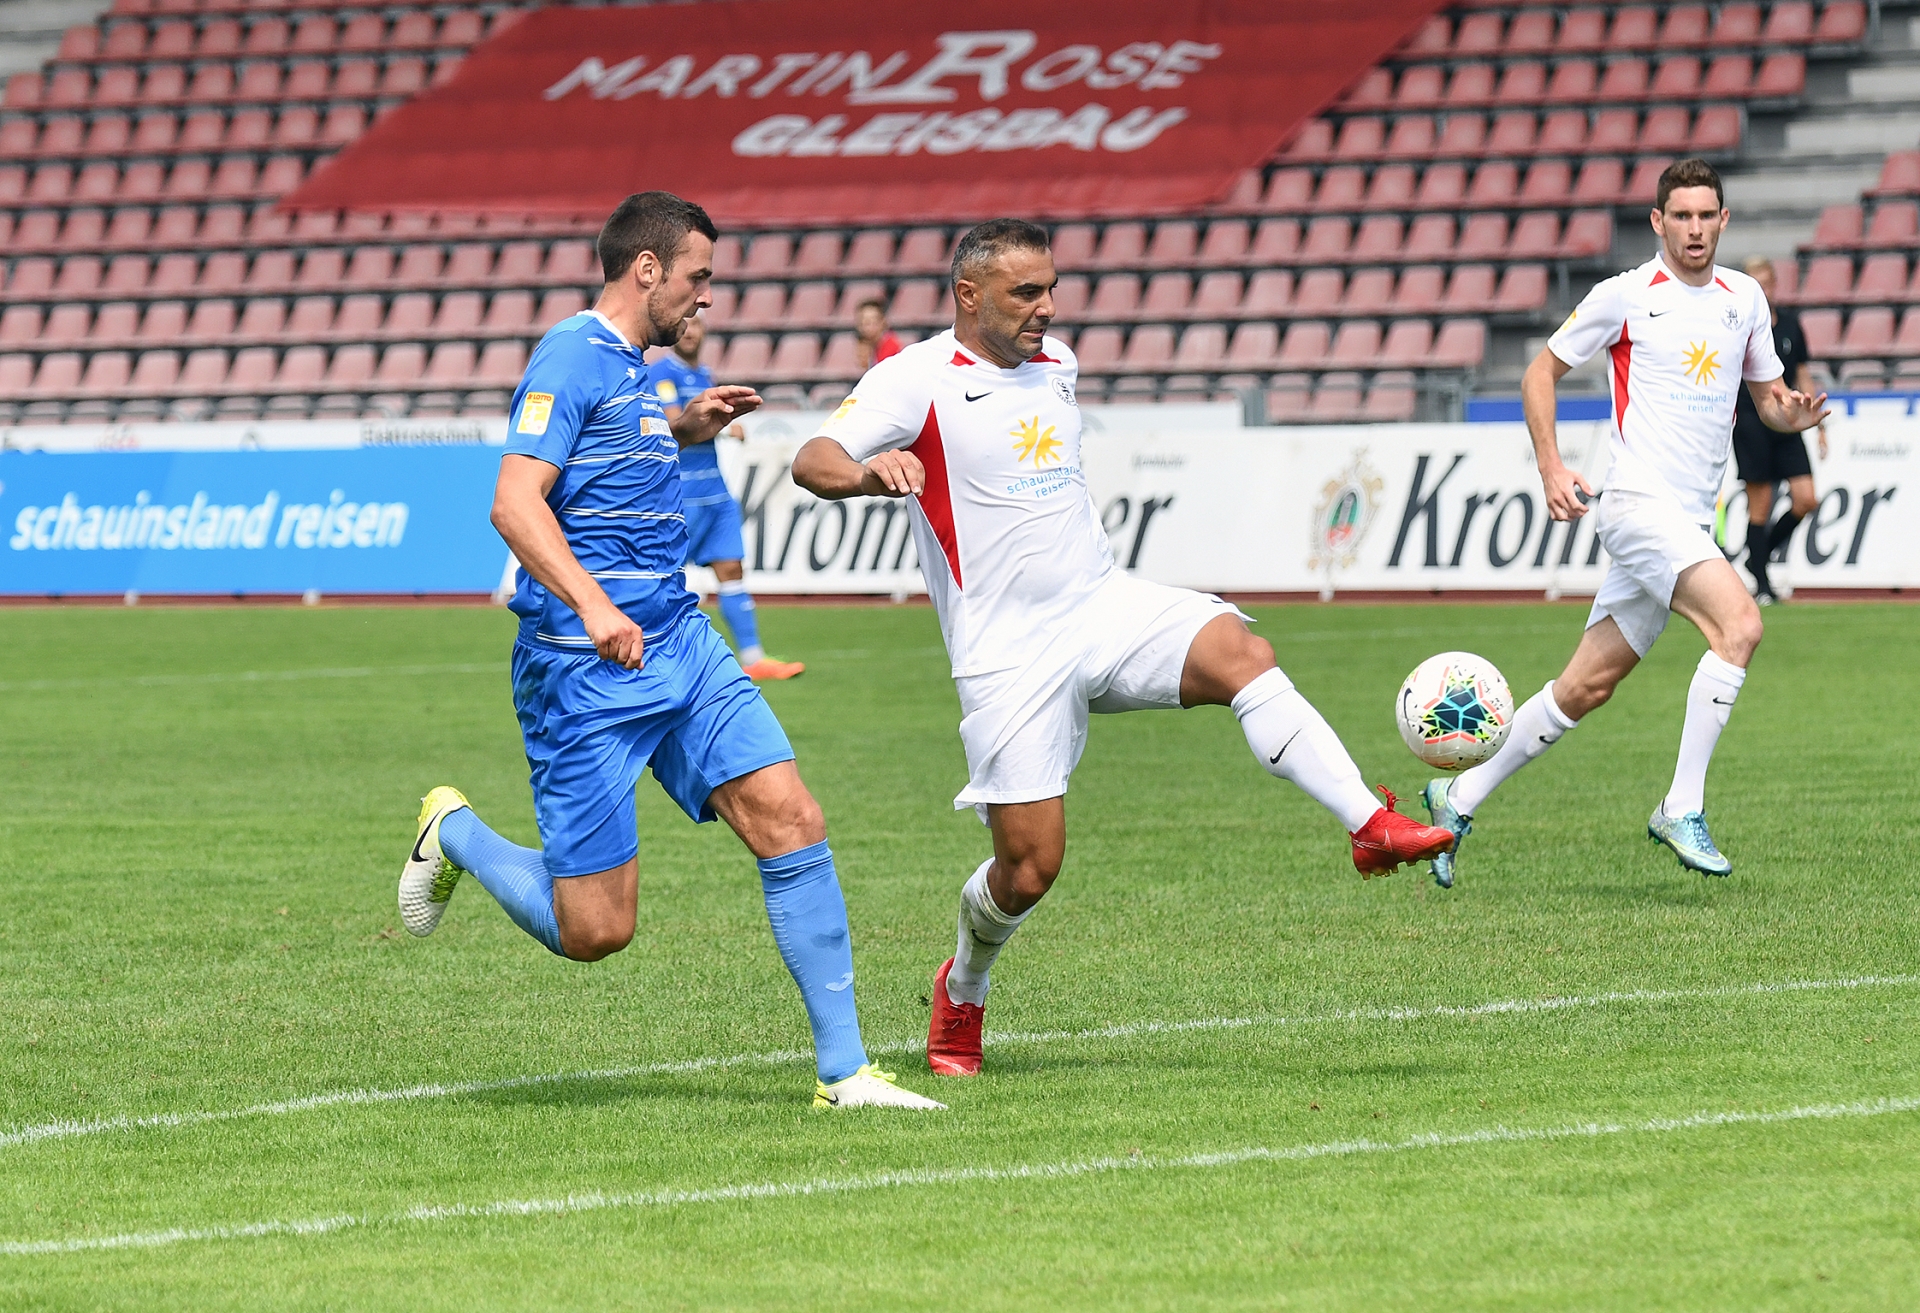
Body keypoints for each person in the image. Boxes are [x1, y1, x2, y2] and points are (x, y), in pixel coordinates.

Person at [790, 218, 1454, 1080]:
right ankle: (964, 983)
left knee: (1241, 652)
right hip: (1007, 653)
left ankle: (1369, 823)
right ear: (968, 294)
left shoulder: (1057, 365)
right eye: (1026, 292)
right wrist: (867, 473)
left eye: (1051, 288)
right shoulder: (914, 378)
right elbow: (812, 458)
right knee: (1029, 870)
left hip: (1101, 603)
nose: (1047, 308)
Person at [397, 191, 940, 1111]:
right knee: (596, 930)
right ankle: (455, 831)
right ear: (646, 269)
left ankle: (845, 1073)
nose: (707, 297)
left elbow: (606, 453)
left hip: (680, 642)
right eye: (698, 276)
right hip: (586, 667)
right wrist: (595, 606)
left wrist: (685, 427)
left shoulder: (635, 370)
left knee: (792, 818)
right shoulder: (572, 353)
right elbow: (515, 503)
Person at [1421, 160, 1828, 886]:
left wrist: (1788, 414)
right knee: (1740, 625)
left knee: (1584, 688)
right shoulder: (1627, 295)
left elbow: (1768, 399)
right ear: (1658, 222)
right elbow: (1539, 373)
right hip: (1638, 505)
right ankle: (1681, 806)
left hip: (1688, 523)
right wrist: (1551, 465)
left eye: (1706, 216)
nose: (1695, 229)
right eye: (1682, 216)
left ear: (1724, 220)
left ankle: (1457, 797)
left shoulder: (1745, 298)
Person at [649, 312, 804, 681]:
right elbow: (674, 421)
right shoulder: (662, 373)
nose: (690, 331)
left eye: (698, 325)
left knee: (732, 570)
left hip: (715, 491)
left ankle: (753, 658)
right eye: (685, 324)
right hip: (680, 492)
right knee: (663, 578)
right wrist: (724, 429)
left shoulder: (704, 375)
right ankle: (651, 658)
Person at [1732, 255, 1827, 604]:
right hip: (1751, 419)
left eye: (1766, 283)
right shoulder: (1740, 327)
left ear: (1774, 285)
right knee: (1760, 504)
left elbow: (1801, 371)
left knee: (1806, 498)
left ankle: (1757, 557)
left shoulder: (1789, 324)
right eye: (1754, 285)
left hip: (1786, 419)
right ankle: (1763, 586)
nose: (1762, 291)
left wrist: (1818, 422)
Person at [853, 298, 902, 372]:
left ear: (883, 321)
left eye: (871, 321)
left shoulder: (891, 347)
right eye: (863, 322)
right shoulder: (868, 347)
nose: (866, 327)